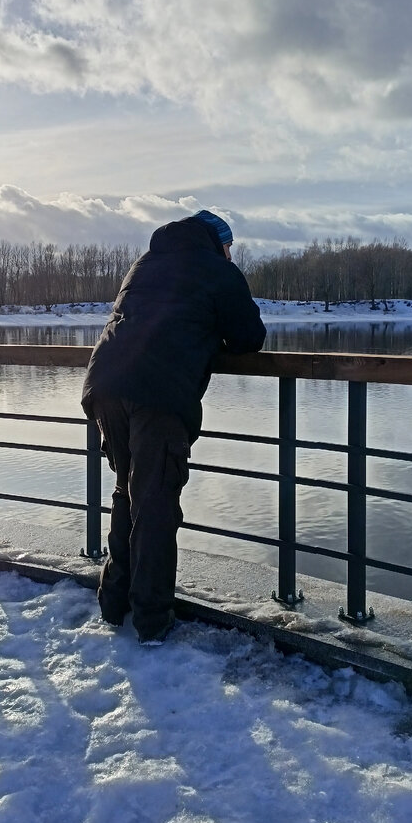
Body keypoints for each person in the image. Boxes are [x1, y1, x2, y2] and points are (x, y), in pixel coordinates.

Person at [81, 209, 266, 644]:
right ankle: (151, 622)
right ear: (219, 243)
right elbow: (248, 337)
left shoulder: (146, 262)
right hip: (157, 394)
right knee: (157, 503)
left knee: (129, 492)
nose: (229, 254)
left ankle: (115, 603)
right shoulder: (217, 270)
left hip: (107, 385)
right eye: (229, 248)